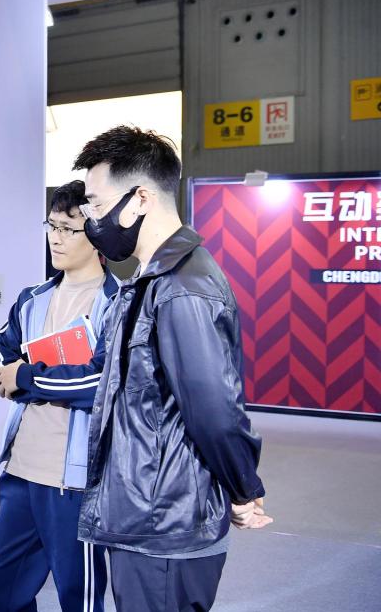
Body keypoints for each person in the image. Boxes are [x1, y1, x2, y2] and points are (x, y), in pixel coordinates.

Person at [71, 125, 272, 611]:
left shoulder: (183, 287)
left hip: (164, 525)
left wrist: (243, 488)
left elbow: (214, 413)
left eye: (96, 205)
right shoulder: (150, 280)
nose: (92, 220)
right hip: (145, 514)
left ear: (140, 198)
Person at [0, 180, 117, 612]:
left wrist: (29, 377)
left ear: (95, 234)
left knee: (80, 596)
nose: (56, 238)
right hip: (20, 471)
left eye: (68, 229)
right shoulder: (32, 299)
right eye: (52, 226)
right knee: (0, 591)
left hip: (75, 482)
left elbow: (101, 384)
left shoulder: (116, 303)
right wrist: (28, 376)